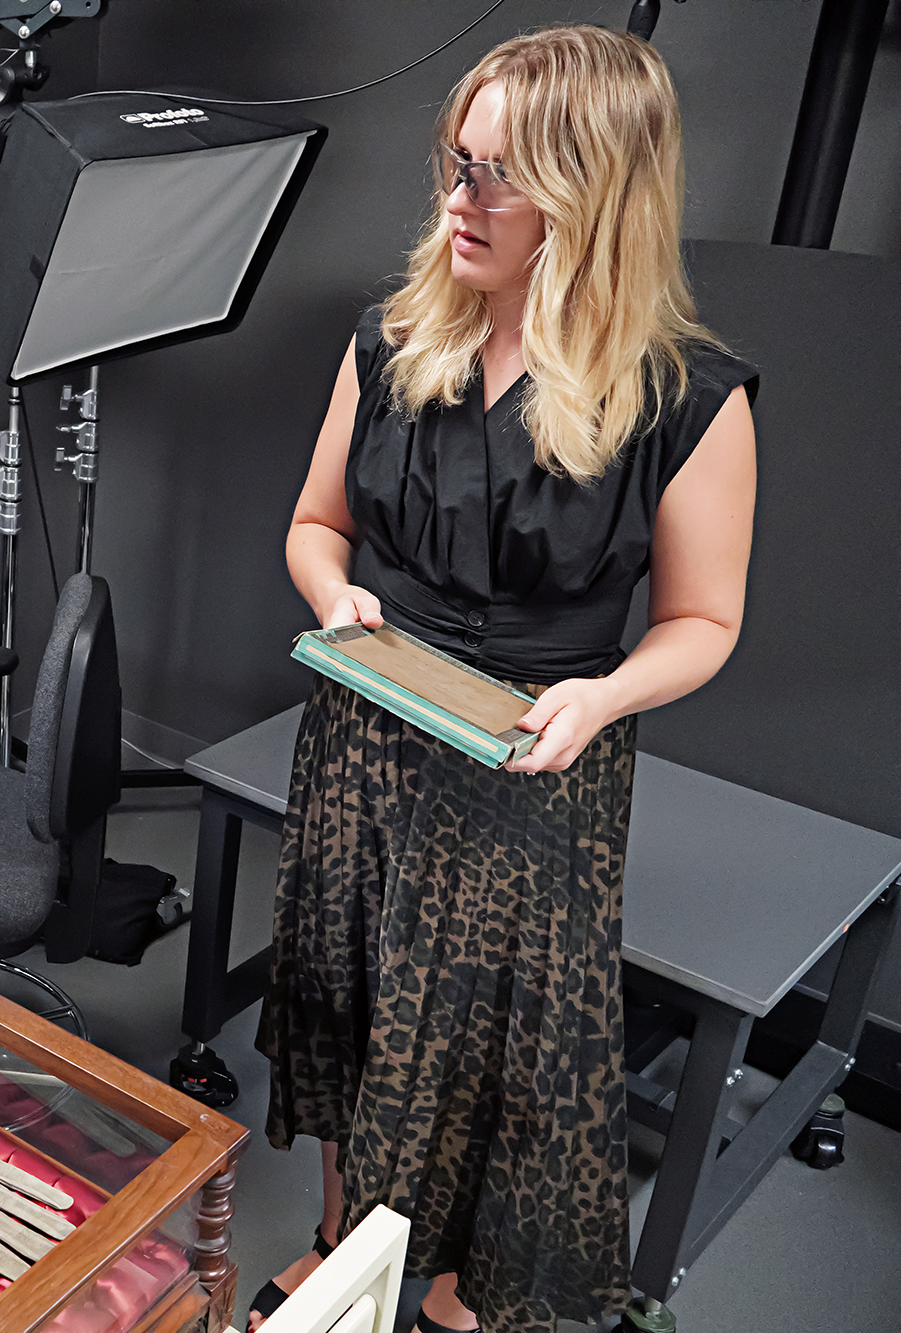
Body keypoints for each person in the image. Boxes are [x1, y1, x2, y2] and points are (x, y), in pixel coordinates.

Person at [251, 28, 756, 1333]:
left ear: (594, 195)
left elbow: (702, 620)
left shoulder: (687, 399)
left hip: (537, 763)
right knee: (349, 995)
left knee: (492, 1046)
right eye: (454, 166)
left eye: (498, 177)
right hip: (367, 735)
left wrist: (603, 695)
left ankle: (464, 1293)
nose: (457, 203)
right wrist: (335, 595)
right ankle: (339, 1248)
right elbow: (315, 527)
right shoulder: (390, 339)